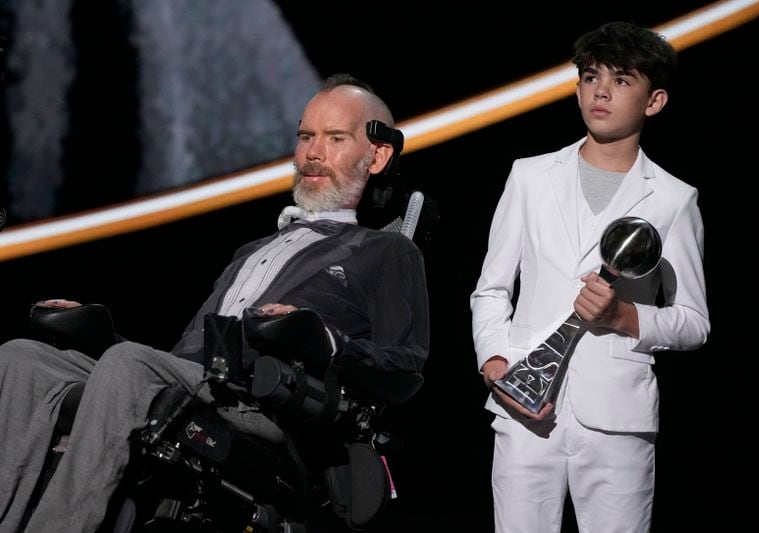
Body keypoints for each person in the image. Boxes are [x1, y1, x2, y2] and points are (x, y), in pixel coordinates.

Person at [0, 73, 429, 532]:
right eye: (306, 136)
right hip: (197, 380)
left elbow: (404, 368)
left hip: (257, 404)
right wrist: (103, 336)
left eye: (335, 138)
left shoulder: (385, 251)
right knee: (21, 359)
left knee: (127, 365)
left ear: (378, 155)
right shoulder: (253, 250)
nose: (312, 153)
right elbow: (179, 360)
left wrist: (323, 339)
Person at [471, 21, 710, 533]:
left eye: (622, 80)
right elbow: (491, 289)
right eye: (590, 76)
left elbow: (693, 322)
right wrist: (496, 364)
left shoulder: (674, 198)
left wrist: (622, 316)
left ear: (655, 100)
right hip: (524, 406)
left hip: (617, 419)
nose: (600, 90)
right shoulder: (529, 176)